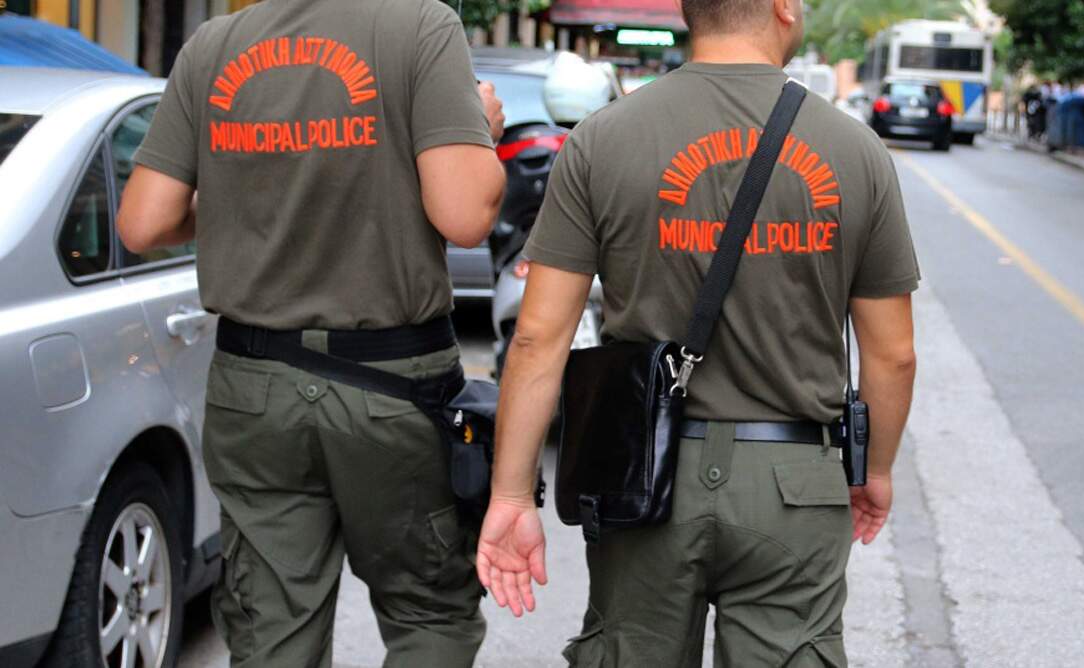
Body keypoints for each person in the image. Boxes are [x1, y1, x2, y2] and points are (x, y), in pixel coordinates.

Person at [476, 0, 918, 665]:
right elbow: (894, 355)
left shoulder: (602, 138)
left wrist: (512, 494)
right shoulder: (855, 150)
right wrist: (873, 468)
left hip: (645, 474)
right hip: (793, 485)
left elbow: (539, 339)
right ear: (783, 7)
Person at [115, 1, 506, 666]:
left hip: (254, 387)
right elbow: (466, 215)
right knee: (428, 611)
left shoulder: (214, 44)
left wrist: (248, 194)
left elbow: (143, 222)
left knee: (271, 629)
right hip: (392, 384)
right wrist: (480, 134)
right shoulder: (419, 26)